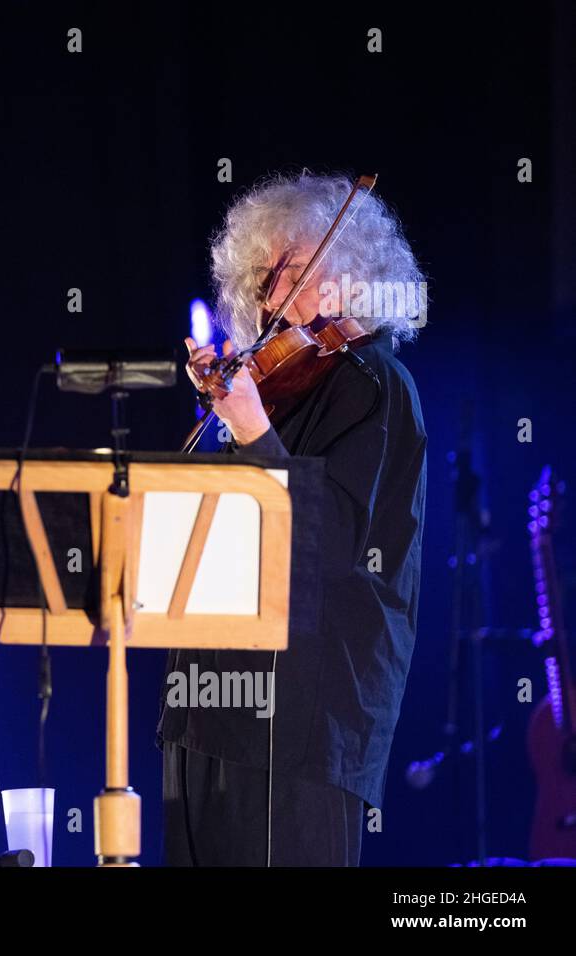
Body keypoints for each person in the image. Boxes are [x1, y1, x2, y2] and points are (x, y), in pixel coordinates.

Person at [158, 171, 429, 866]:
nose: (268, 295)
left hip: (301, 727)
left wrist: (251, 429)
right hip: (205, 716)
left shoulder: (374, 385)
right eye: (263, 278)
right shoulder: (279, 390)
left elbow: (331, 543)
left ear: (348, 278)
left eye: (289, 273)